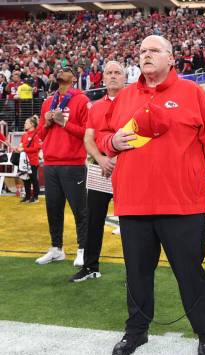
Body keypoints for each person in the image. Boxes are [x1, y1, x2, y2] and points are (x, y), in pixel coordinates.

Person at [97, 35, 205, 355]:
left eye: (153, 50)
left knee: (189, 272)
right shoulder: (124, 96)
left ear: (171, 58)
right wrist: (113, 142)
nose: (146, 55)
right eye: (141, 51)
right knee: (136, 273)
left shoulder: (192, 93)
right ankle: (136, 331)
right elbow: (101, 136)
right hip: (133, 204)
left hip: (182, 204)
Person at [69, 61, 126, 283]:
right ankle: (90, 267)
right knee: (94, 219)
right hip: (100, 169)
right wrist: (101, 159)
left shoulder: (134, 103)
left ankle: (135, 271)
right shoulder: (96, 107)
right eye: (109, 72)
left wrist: (118, 159)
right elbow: (88, 138)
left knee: (132, 222)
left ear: (124, 77)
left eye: (117, 72)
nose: (113, 76)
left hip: (127, 169)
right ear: (103, 78)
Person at [36, 66, 90, 267]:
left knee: (80, 210)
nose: (62, 70)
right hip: (50, 164)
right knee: (53, 209)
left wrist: (64, 123)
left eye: (67, 70)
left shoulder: (82, 100)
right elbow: (40, 134)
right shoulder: (48, 102)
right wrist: (48, 124)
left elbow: (87, 132)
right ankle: (56, 249)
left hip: (73, 163)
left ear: (74, 78)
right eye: (60, 69)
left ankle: (83, 250)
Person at [18, 116, 42, 203]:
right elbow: (20, 145)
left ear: (32, 124)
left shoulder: (36, 134)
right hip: (24, 162)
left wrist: (24, 149)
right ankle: (27, 196)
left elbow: (36, 148)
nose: (25, 124)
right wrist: (19, 148)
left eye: (26, 123)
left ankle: (35, 197)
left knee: (33, 179)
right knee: (25, 178)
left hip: (32, 161)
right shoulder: (24, 135)